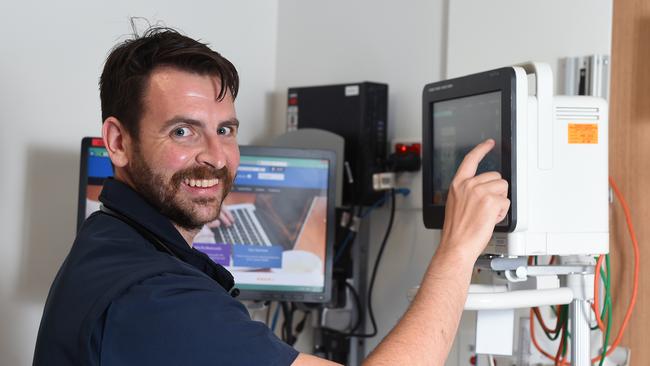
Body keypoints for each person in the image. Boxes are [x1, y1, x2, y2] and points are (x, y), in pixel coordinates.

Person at [33, 27, 509, 366]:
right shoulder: (155, 296)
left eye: (225, 130)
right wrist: (457, 250)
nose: (216, 157)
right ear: (117, 142)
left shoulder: (111, 239)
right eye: (183, 131)